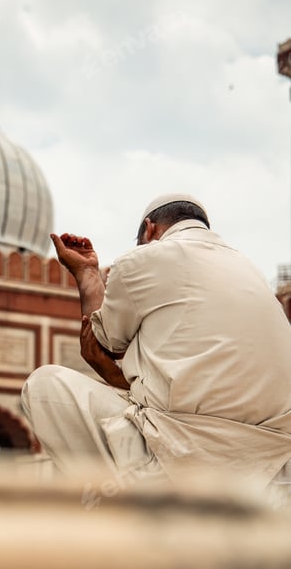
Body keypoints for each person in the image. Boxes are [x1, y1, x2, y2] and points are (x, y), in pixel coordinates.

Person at [21, 193, 291, 491]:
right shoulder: (249, 270)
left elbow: (107, 343)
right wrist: (115, 375)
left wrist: (86, 274)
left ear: (149, 230)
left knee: (45, 385)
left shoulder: (144, 258)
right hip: (273, 476)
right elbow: (190, 387)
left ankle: (129, 514)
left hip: (184, 463)